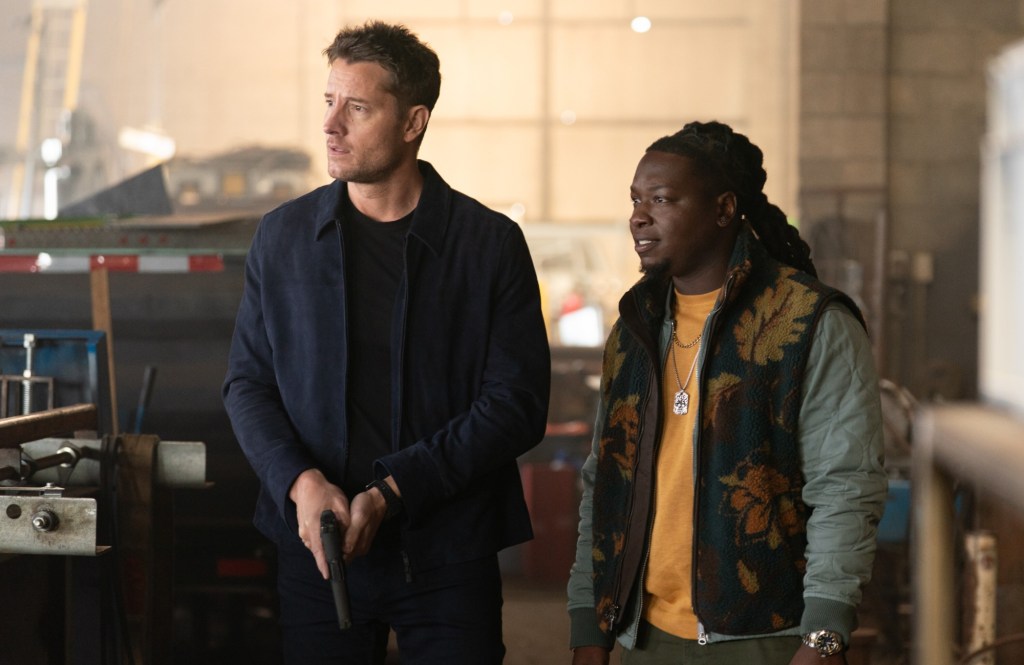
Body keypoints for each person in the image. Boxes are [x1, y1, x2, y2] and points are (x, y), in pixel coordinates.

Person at [223, 20, 550, 665]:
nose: (330, 125)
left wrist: (392, 493)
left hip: (448, 552)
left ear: (412, 122)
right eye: (328, 102)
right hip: (318, 549)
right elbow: (247, 384)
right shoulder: (283, 238)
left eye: (358, 108)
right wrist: (301, 483)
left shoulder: (487, 245)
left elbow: (515, 404)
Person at [566, 121, 887, 665]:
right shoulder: (635, 328)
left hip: (769, 636)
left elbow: (846, 488)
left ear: (723, 209)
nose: (638, 216)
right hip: (646, 636)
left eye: (661, 199)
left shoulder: (809, 322)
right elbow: (605, 480)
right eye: (636, 200)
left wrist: (824, 635)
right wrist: (589, 625)